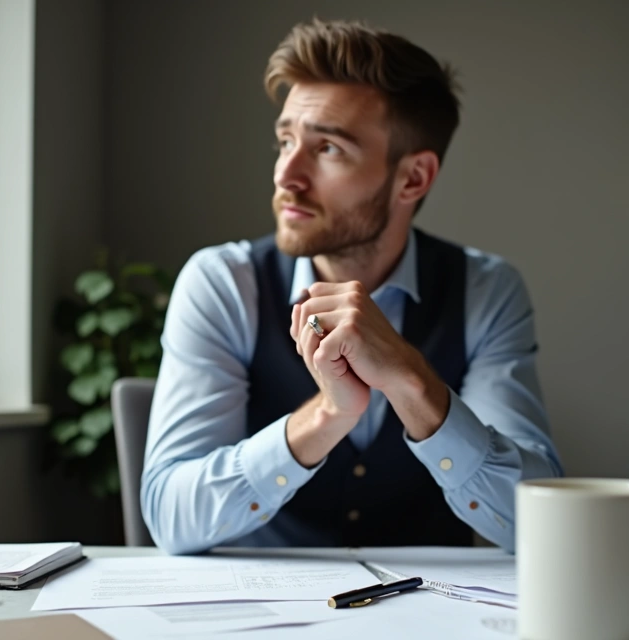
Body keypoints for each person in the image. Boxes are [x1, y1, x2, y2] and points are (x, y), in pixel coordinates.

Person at [140, 18, 563, 555]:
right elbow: (171, 519)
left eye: (328, 149)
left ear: (413, 178)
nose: (286, 175)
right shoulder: (223, 283)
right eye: (286, 140)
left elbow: (541, 525)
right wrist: (327, 415)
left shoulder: (486, 290)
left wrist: (414, 384)